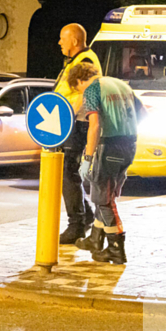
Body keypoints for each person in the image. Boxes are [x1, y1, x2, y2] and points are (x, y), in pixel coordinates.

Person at [66, 61, 143, 265]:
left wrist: (87, 158)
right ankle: (95, 239)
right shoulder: (122, 85)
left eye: (78, 89)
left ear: (80, 81)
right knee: (106, 194)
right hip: (130, 145)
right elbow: (142, 113)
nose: (80, 94)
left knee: (103, 200)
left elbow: (94, 125)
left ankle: (116, 249)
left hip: (109, 146)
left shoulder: (92, 90)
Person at [53, 24, 100, 244]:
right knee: (69, 172)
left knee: (68, 173)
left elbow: (84, 93)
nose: (59, 43)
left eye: (62, 39)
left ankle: (77, 225)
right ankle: (85, 215)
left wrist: (67, 115)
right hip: (71, 122)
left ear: (74, 41)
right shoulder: (77, 60)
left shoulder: (85, 61)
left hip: (76, 123)